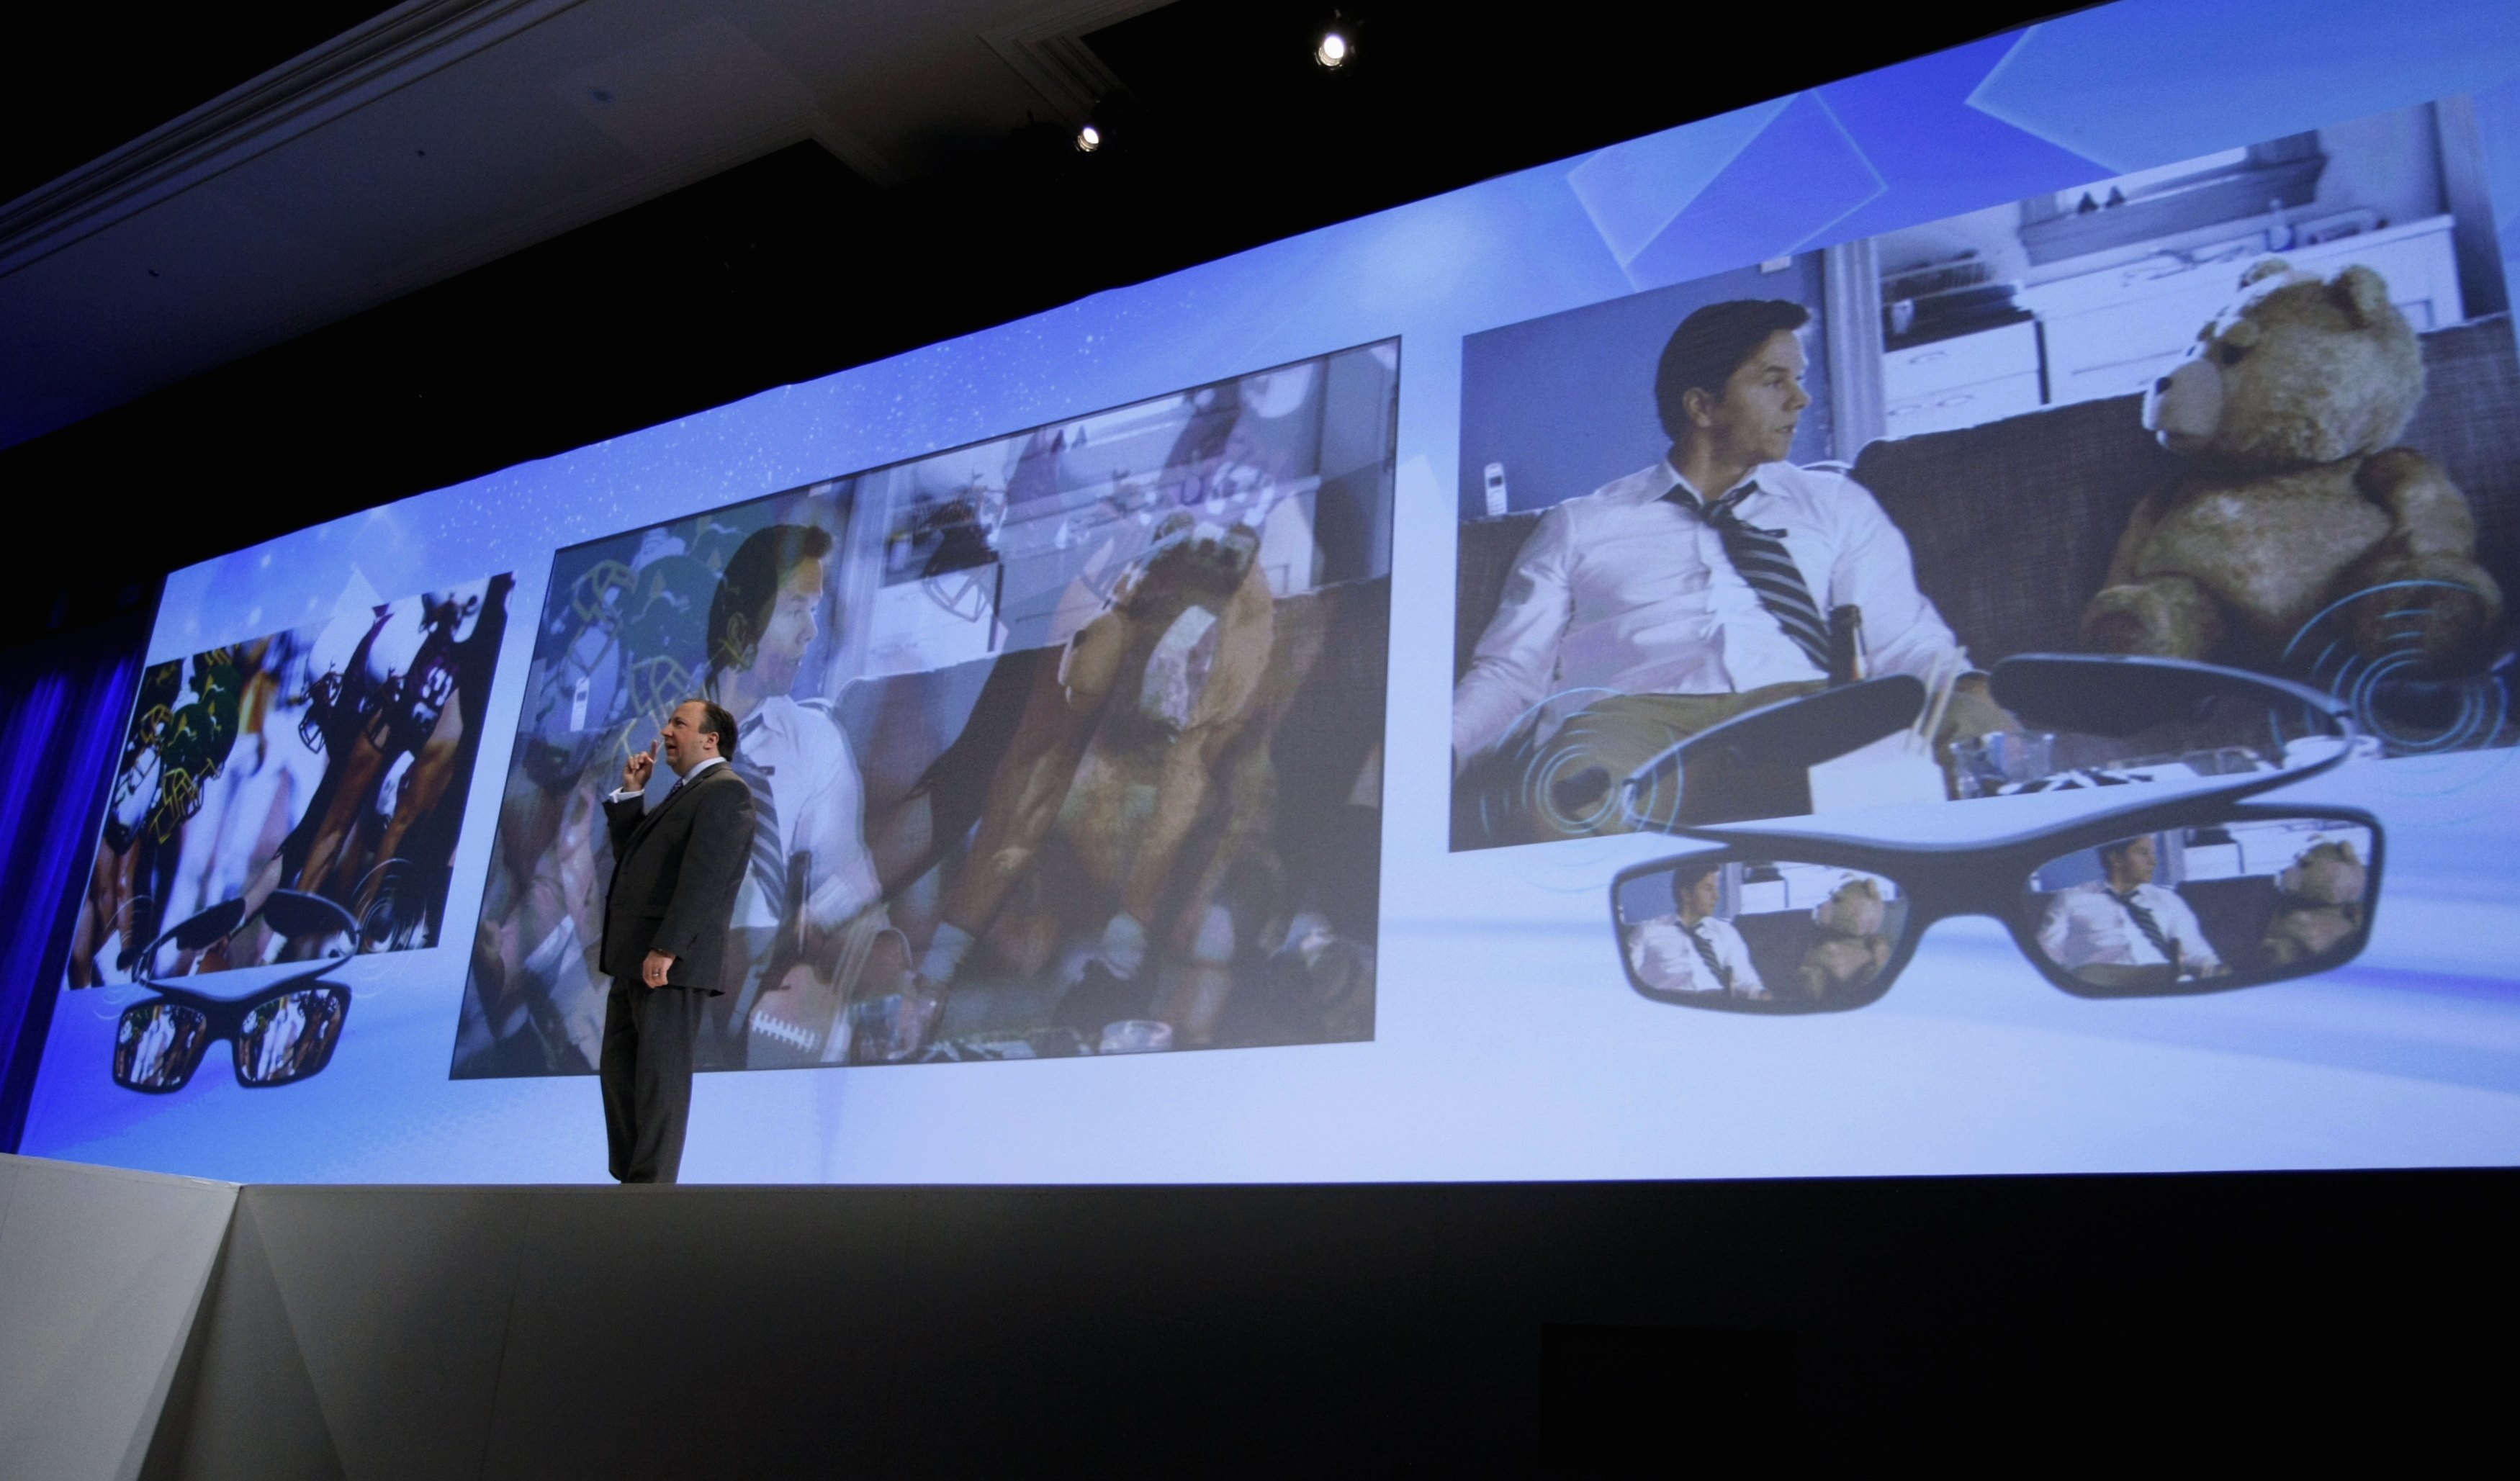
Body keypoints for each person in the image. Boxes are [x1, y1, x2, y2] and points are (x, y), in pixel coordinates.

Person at [1453, 299, 1992, 840]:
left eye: (1798, 380)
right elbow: (1511, 673)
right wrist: (1437, 750)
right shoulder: (1579, 525)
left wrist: (1966, 692)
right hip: (1636, 720)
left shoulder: (1835, 505)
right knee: (1568, 800)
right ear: (1702, 407)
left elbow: (1903, 641)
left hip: (1805, 708)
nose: (1800, 399)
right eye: (1774, 381)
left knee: (1973, 729)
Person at [598, 698, 756, 1183]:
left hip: (667, 963)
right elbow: (641, 867)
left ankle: (651, 1192)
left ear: (711, 739)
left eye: (679, 723)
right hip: (636, 961)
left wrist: (667, 947)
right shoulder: (686, 792)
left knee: (659, 1079)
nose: (666, 730)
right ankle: (631, 1183)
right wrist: (631, 797)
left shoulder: (726, 792)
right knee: (620, 1074)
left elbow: (706, 879)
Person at [2035, 835, 2225, 984]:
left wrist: (2217, 970)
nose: (2153, 862)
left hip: (2160, 978)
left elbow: (2196, 953)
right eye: (2143, 853)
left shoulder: (2167, 900)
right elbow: (2047, 954)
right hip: (2098, 980)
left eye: (2153, 853)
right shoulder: (2072, 899)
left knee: (2178, 976)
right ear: (2116, 859)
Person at [1627, 863, 1765, 997]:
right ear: (1687, 894)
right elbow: (1626, 982)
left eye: (1716, 889)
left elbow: (1747, 982)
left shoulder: (1726, 932)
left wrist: (1762, 995)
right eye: (1708, 888)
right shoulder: (1647, 932)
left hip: (1719, 1009)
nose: (1716, 896)